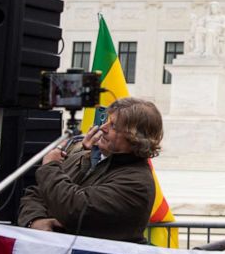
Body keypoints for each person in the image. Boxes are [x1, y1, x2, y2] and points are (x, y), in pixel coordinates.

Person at [18, 97, 162, 243]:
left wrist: (49, 167)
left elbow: (76, 209)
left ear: (134, 138)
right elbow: (37, 193)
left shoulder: (137, 183)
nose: (102, 128)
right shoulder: (82, 157)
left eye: (113, 125)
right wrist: (35, 220)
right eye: (106, 121)